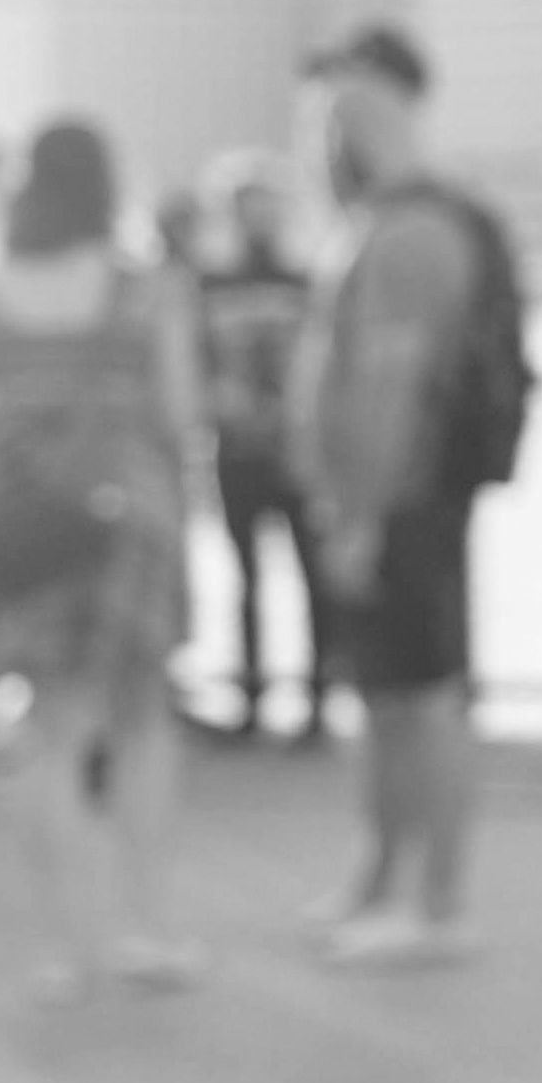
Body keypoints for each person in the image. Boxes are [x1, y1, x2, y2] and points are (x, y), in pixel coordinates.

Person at [0, 117, 200, 1000]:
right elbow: (183, 417)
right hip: (130, 524)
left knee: (47, 734)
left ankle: (60, 946)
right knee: (142, 724)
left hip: (16, 528)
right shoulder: (144, 292)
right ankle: (147, 926)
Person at [292, 23, 513, 969]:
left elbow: (394, 386)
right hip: (385, 501)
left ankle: (438, 901)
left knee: (424, 699)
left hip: (405, 501)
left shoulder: (413, 230)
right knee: (387, 698)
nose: (309, 142)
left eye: (323, 119)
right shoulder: (391, 220)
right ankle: (384, 877)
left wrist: (363, 515)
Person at [191, 155, 320, 744]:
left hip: (295, 451)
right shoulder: (209, 287)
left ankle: (318, 696)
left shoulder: (304, 282)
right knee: (244, 577)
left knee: (311, 574)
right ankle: (249, 693)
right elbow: (194, 370)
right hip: (238, 449)